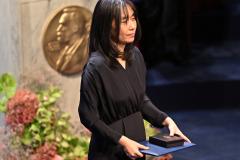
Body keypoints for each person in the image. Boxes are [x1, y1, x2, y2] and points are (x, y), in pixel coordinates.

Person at [78, 0, 190, 159]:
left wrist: (166, 120)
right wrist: (122, 141)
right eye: (124, 21)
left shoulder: (135, 56)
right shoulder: (95, 66)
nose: (132, 25)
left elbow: (140, 100)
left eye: (133, 18)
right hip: (109, 149)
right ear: (107, 24)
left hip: (136, 143)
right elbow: (87, 116)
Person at [54, 7, 91, 73]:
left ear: (75, 28)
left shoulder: (87, 49)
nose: (58, 29)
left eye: (63, 25)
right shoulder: (66, 49)